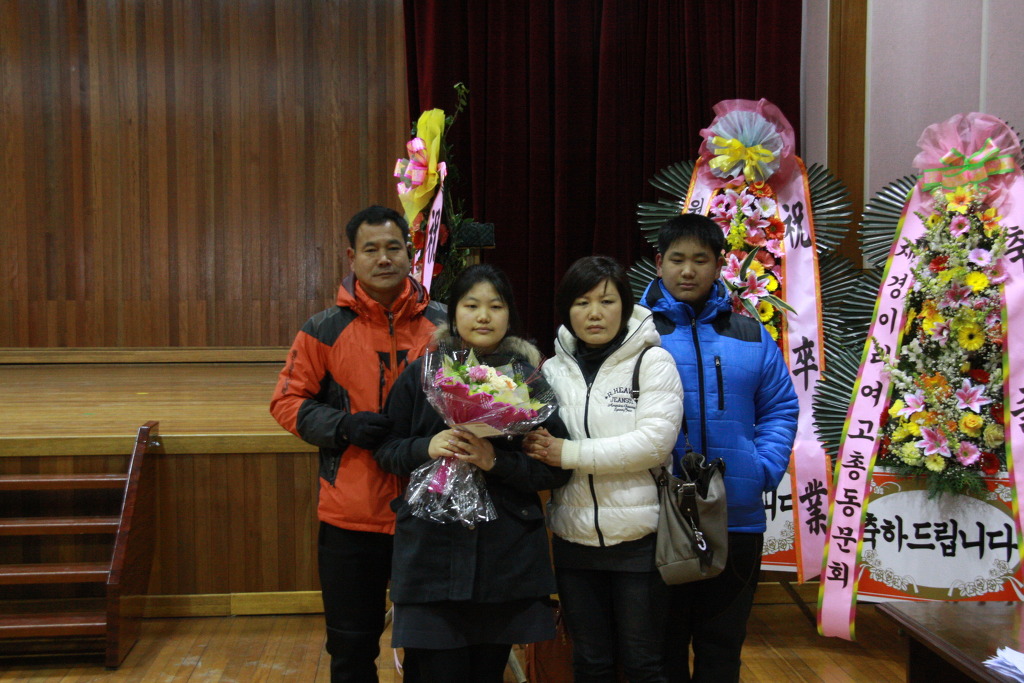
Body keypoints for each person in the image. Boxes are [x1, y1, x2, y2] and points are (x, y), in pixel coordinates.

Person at [269, 205, 445, 683]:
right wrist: (342, 426)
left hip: (430, 511)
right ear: (352, 257)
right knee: (350, 650)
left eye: (393, 247)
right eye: (371, 249)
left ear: (409, 253)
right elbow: (286, 401)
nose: (383, 258)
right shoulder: (323, 328)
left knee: (432, 651)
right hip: (350, 513)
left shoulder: (446, 326)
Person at [374, 264, 572, 683]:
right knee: (433, 671)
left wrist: (494, 460)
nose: (483, 316)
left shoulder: (528, 380)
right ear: (453, 313)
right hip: (431, 553)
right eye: (471, 305)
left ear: (509, 314)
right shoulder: (422, 374)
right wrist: (427, 446)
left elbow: (553, 471)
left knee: (487, 671)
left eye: (495, 306)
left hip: (504, 558)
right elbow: (385, 449)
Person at [639, 213, 799, 683]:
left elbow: (780, 406)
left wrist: (762, 467)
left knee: (722, 648)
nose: (688, 271)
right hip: (658, 516)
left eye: (700, 259)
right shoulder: (636, 330)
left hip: (737, 515)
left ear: (719, 265)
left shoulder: (750, 333)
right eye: (677, 259)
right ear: (659, 263)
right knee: (661, 649)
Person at [524, 255, 684, 683]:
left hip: (640, 540)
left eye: (607, 301)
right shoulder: (551, 370)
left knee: (643, 663)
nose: (594, 313)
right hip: (572, 537)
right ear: (567, 310)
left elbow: (654, 444)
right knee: (589, 662)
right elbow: (538, 440)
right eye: (582, 302)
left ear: (625, 307)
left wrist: (567, 454)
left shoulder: (653, 362)